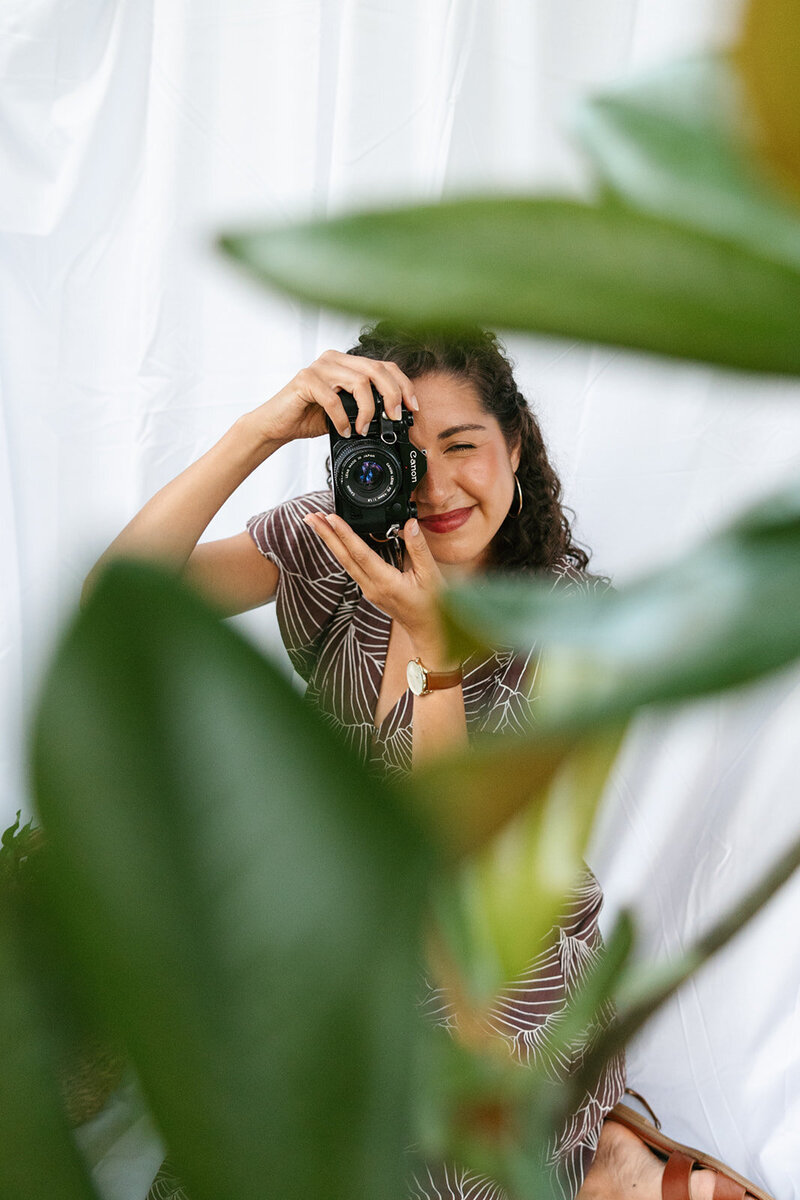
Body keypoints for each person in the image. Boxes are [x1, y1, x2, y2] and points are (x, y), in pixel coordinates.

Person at [85, 323, 771, 1200]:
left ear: (515, 445)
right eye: (409, 456)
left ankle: (605, 1151)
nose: (438, 488)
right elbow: (115, 602)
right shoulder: (339, 542)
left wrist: (434, 647)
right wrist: (259, 430)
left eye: (463, 446)